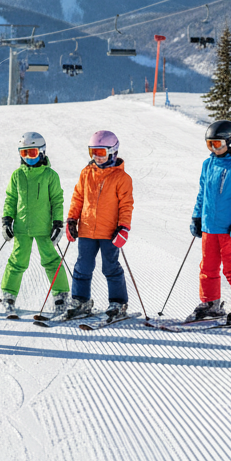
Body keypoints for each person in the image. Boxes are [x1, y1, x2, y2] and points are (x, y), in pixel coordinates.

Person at [187, 119, 231, 322]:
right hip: (210, 227)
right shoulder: (208, 164)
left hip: (230, 229)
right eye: (210, 144)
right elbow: (203, 193)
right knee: (207, 268)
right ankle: (211, 304)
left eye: (217, 144)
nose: (213, 148)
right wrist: (197, 216)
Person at [64, 129, 134, 320]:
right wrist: (71, 220)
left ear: (113, 151)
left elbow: (126, 205)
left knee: (110, 267)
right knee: (82, 267)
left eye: (101, 152)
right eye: (93, 152)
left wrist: (123, 228)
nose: (97, 156)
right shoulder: (86, 173)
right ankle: (81, 300)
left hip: (109, 232)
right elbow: (77, 198)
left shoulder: (122, 178)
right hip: (86, 229)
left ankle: (118, 303)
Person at [0, 131, 69, 316]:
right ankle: (8, 296)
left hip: (44, 228)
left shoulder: (50, 175)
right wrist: (7, 220)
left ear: (42, 152)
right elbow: (11, 199)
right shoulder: (17, 175)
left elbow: (57, 200)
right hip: (22, 228)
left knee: (52, 261)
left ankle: (61, 295)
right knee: (17, 261)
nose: (28, 158)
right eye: (24, 153)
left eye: (32, 153)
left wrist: (57, 223)